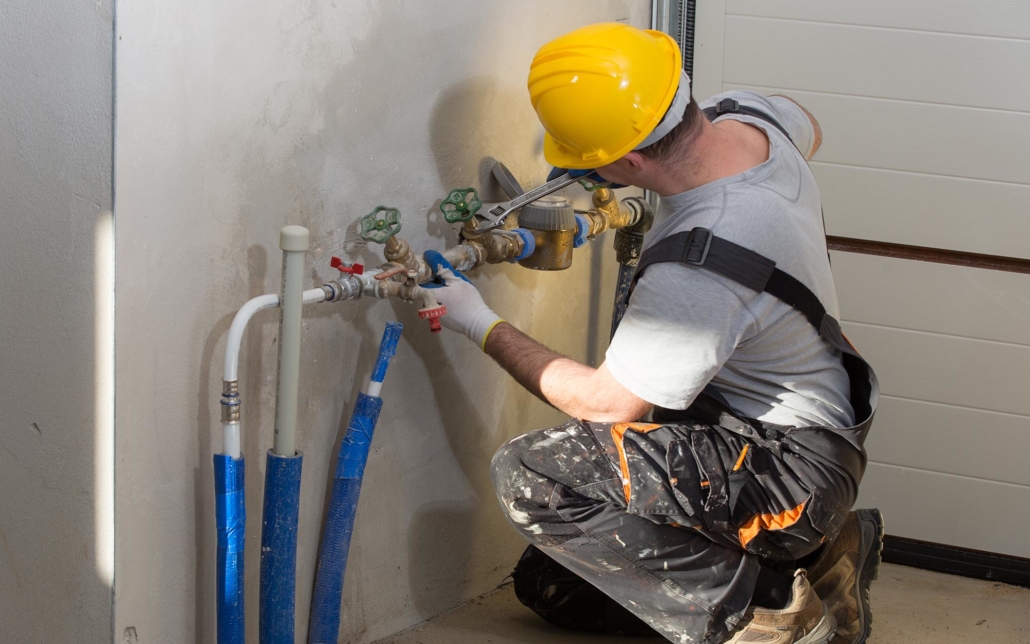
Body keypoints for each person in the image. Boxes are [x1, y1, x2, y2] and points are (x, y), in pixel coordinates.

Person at [421, 22, 882, 644]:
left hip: (784, 472)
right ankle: (822, 561)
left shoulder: (704, 260)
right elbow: (809, 122)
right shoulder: (751, 120)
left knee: (536, 478)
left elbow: (610, 404)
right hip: (773, 429)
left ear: (631, 160)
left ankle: (772, 613)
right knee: (550, 587)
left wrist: (475, 320)